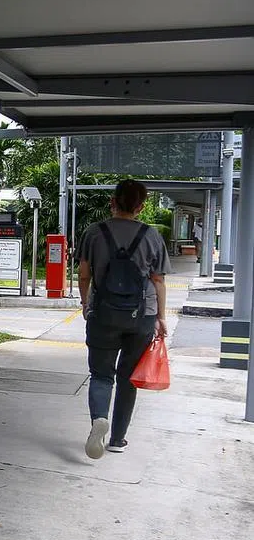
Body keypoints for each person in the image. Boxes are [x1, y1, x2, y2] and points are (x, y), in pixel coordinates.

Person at [78, 179, 171, 458]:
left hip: (103, 313)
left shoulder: (94, 232)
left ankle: (99, 419)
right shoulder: (152, 235)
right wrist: (161, 317)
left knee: (101, 374)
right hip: (142, 316)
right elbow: (159, 281)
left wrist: (85, 304)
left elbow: (84, 274)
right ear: (141, 207)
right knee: (128, 377)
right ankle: (118, 439)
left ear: (112, 202)